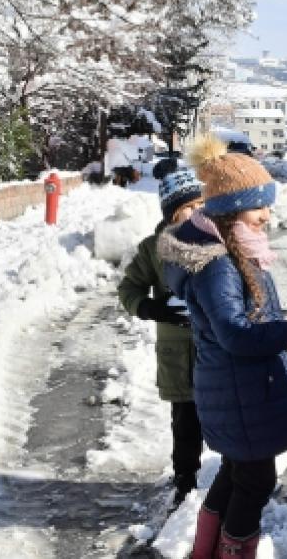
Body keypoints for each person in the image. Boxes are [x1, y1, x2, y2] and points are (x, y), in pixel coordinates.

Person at [160, 135, 287, 559]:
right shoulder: (218, 264)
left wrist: (286, 322)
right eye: (259, 206)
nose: (267, 215)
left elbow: (253, 314)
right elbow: (234, 333)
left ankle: (204, 552)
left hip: (238, 391)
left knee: (236, 473)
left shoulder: (236, 249)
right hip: (237, 392)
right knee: (255, 481)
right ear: (231, 210)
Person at [118, 164, 206, 505]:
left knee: (227, 417)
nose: (196, 214)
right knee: (185, 425)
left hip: (216, 350)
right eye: (188, 208)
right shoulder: (153, 249)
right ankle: (185, 483)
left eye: (201, 206)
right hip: (178, 357)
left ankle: (235, 476)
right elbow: (129, 288)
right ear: (172, 214)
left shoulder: (219, 241)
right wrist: (150, 309)